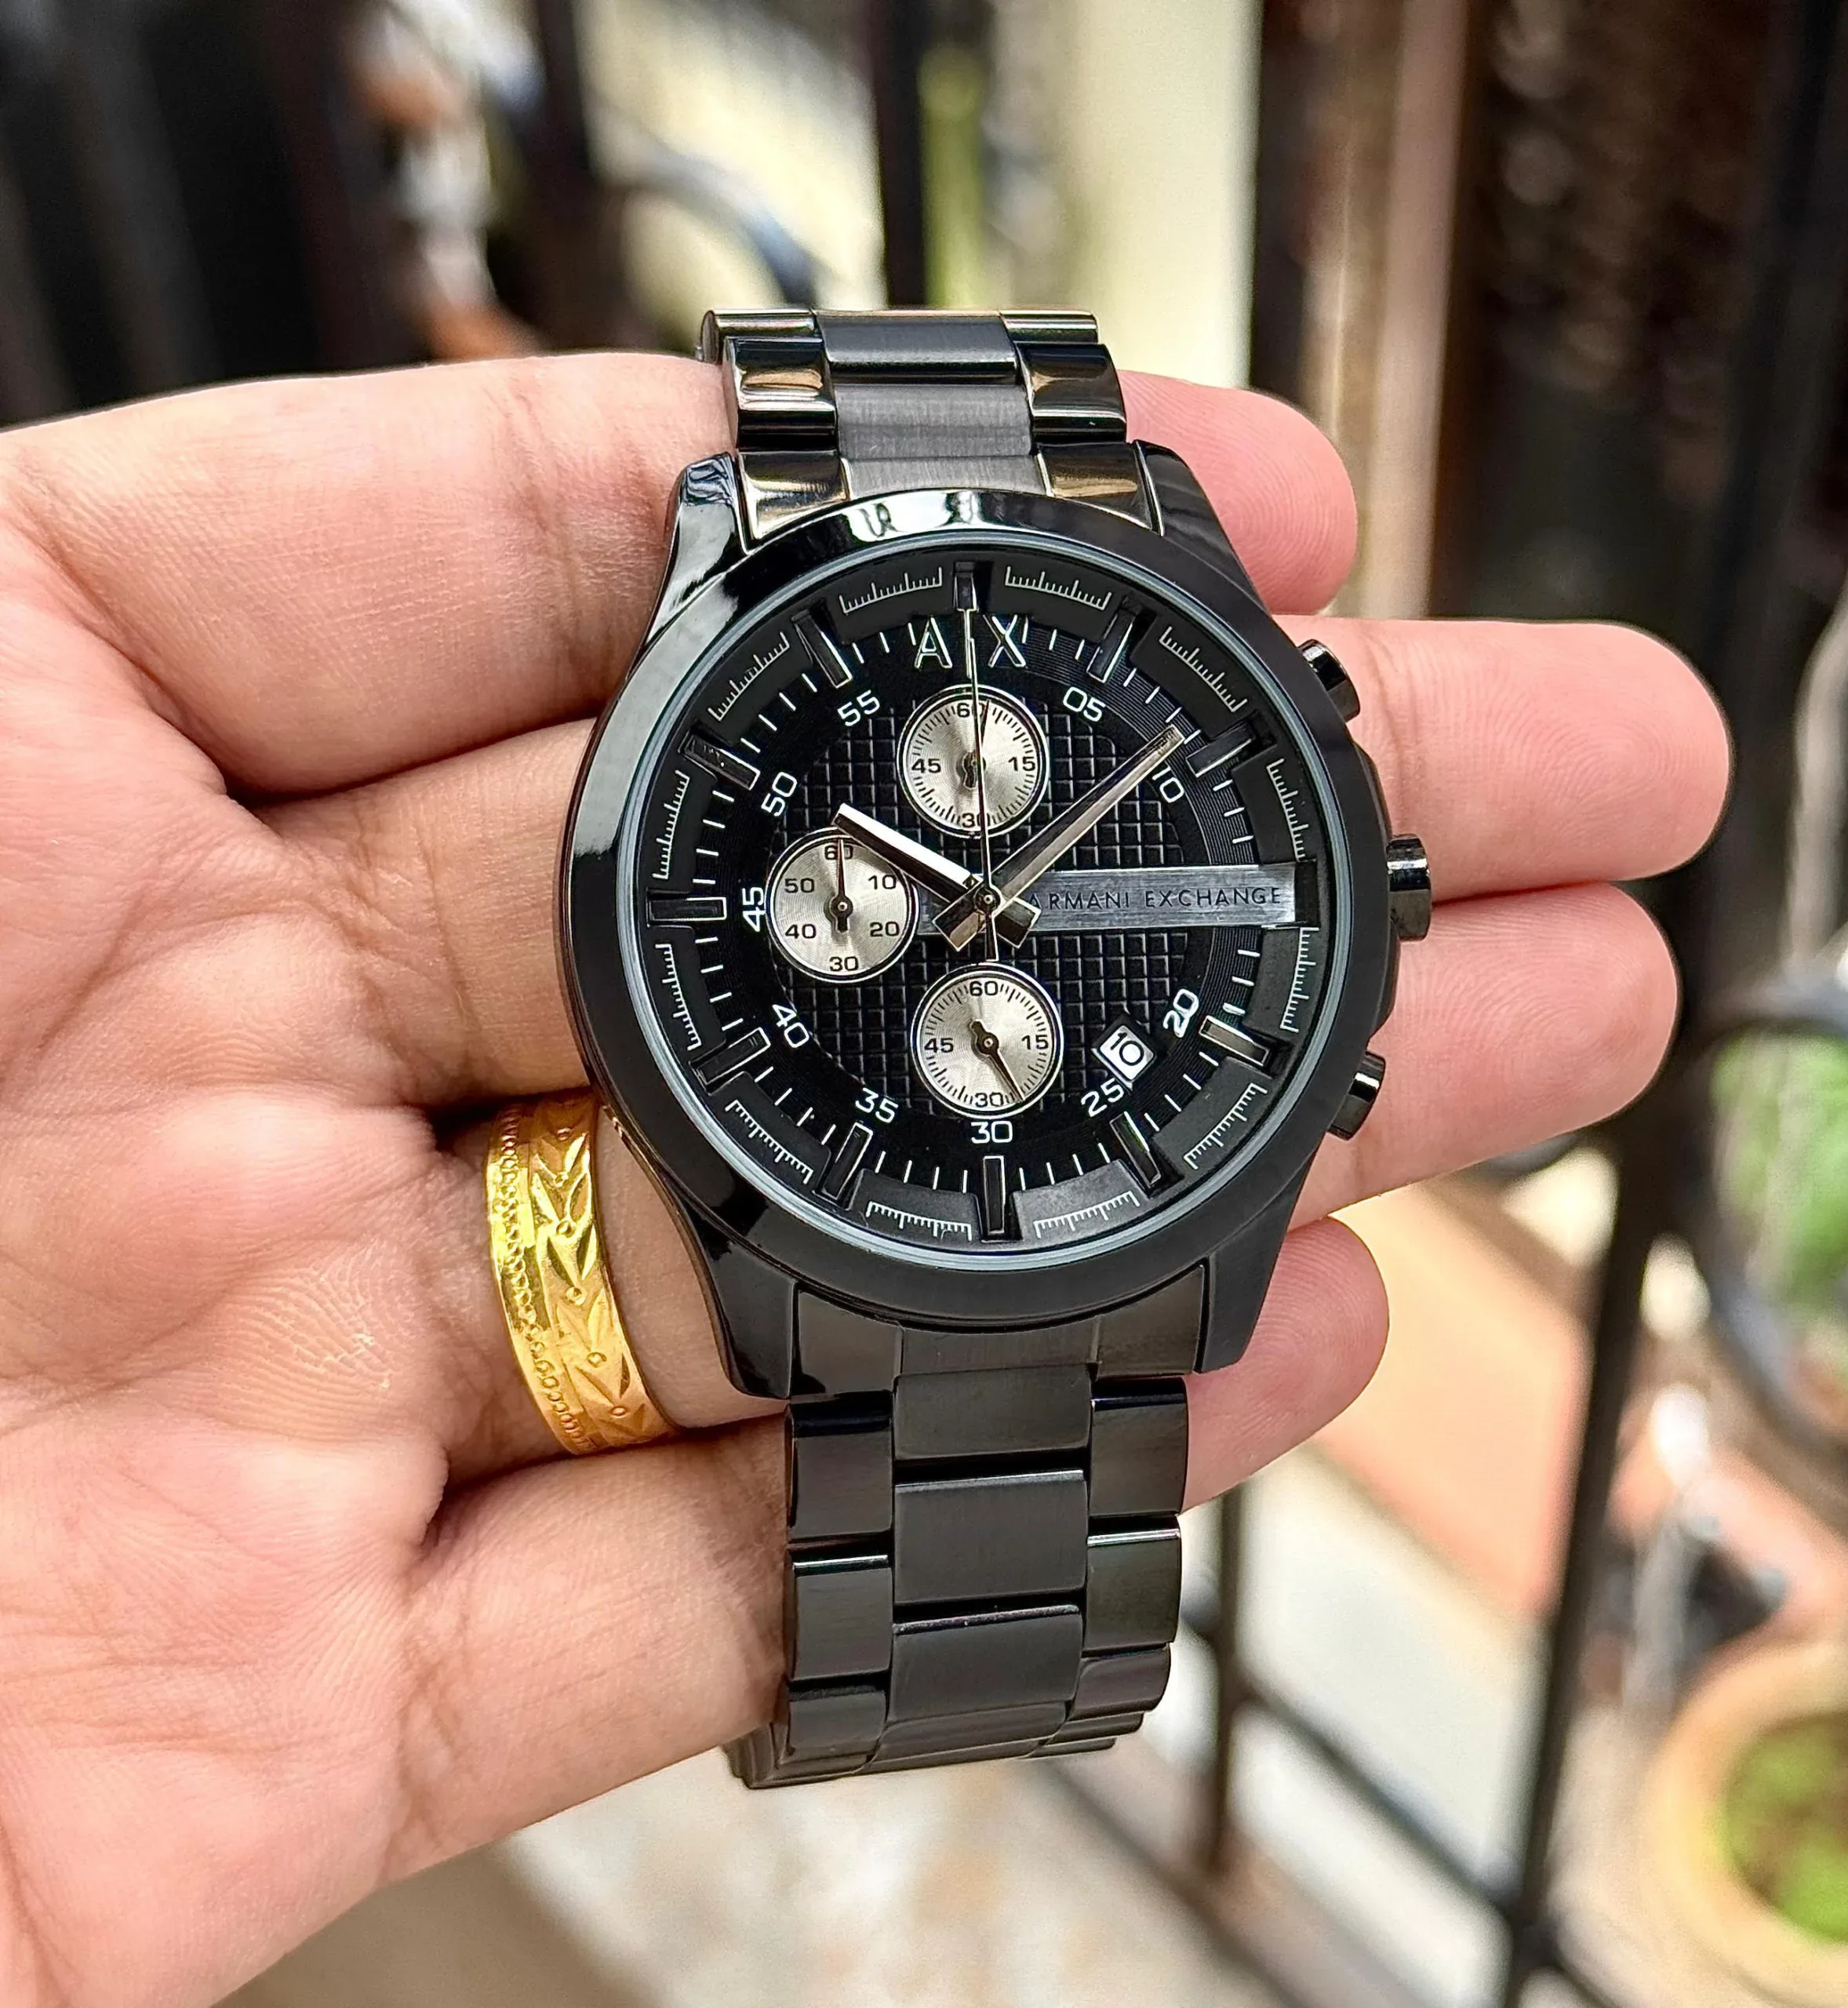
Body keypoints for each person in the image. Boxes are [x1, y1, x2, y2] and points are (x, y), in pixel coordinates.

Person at [0, 354, 1728, 2008]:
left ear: (1373, 888)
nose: (978, 917)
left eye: (994, 902)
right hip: (851, 1203)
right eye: (947, 900)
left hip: (1060, 1185)